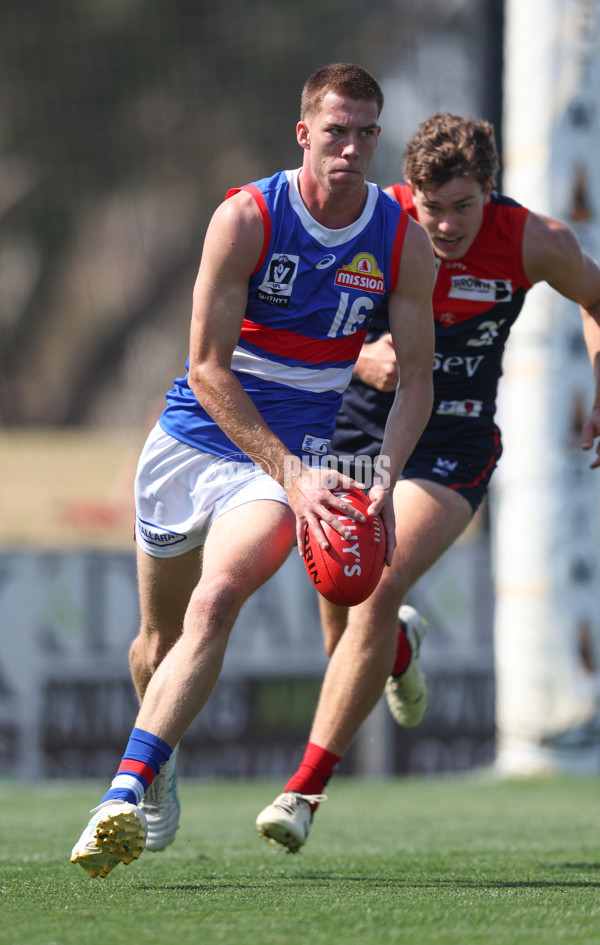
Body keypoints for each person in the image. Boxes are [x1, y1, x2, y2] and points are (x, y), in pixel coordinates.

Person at [70, 62, 435, 878]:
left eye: (367, 132)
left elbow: (418, 377)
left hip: (280, 468)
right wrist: (292, 470)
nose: (351, 148)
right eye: (336, 131)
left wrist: (376, 472)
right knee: (154, 645)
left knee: (219, 597)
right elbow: (206, 368)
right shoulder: (247, 216)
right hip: (191, 444)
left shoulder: (398, 237)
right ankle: (160, 759)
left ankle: (121, 794)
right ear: (304, 133)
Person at [254, 112, 600, 853]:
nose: (443, 224)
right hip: (357, 433)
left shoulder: (537, 240)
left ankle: (303, 792)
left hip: (453, 441)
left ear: (491, 192)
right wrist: (356, 359)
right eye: (430, 205)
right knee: (344, 600)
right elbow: (295, 322)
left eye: (462, 206)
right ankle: (399, 651)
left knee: (378, 578)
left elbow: (597, 297)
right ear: (408, 191)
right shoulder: (374, 224)